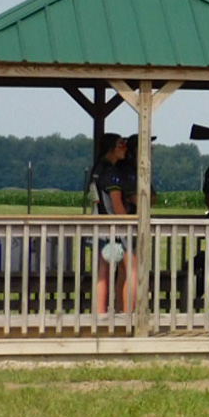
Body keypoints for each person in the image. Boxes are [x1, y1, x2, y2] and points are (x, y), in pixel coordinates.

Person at [86, 133, 137, 315]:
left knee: (103, 273)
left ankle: (100, 314)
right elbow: (116, 205)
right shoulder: (111, 172)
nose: (125, 148)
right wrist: (130, 223)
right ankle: (129, 315)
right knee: (133, 270)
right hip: (116, 228)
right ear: (111, 148)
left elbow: (93, 200)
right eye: (121, 144)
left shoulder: (97, 170)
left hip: (99, 227)